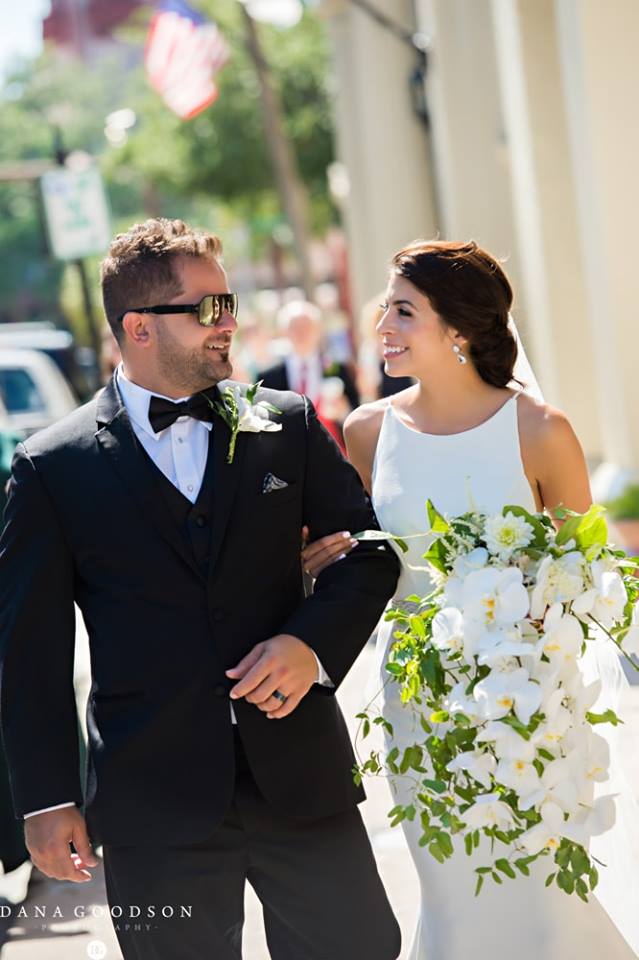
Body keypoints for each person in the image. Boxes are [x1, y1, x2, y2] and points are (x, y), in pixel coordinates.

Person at [0, 218, 402, 960]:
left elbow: (370, 553)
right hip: (151, 802)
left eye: (231, 305)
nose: (229, 325)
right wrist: (48, 798)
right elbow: (30, 652)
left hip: (299, 777)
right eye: (208, 309)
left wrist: (308, 645)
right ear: (138, 327)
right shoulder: (51, 468)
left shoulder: (283, 424)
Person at [302, 240, 637, 959]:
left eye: (402, 310)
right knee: (453, 889)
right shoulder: (366, 432)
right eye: (383, 307)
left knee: (542, 897)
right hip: (417, 699)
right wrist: (333, 553)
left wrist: (536, 627)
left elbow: (590, 572)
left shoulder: (541, 431)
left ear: (457, 328)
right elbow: (355, 556)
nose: (381, 325)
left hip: (529, 701)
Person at [259, 299, 360, 413]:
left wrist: (343, 409)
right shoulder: (268, 377)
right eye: (294, 327)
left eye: (307, 326)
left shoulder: (339, 368)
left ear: (319, 330)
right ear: (283, 332)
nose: (301, 332)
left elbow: (355, 410)